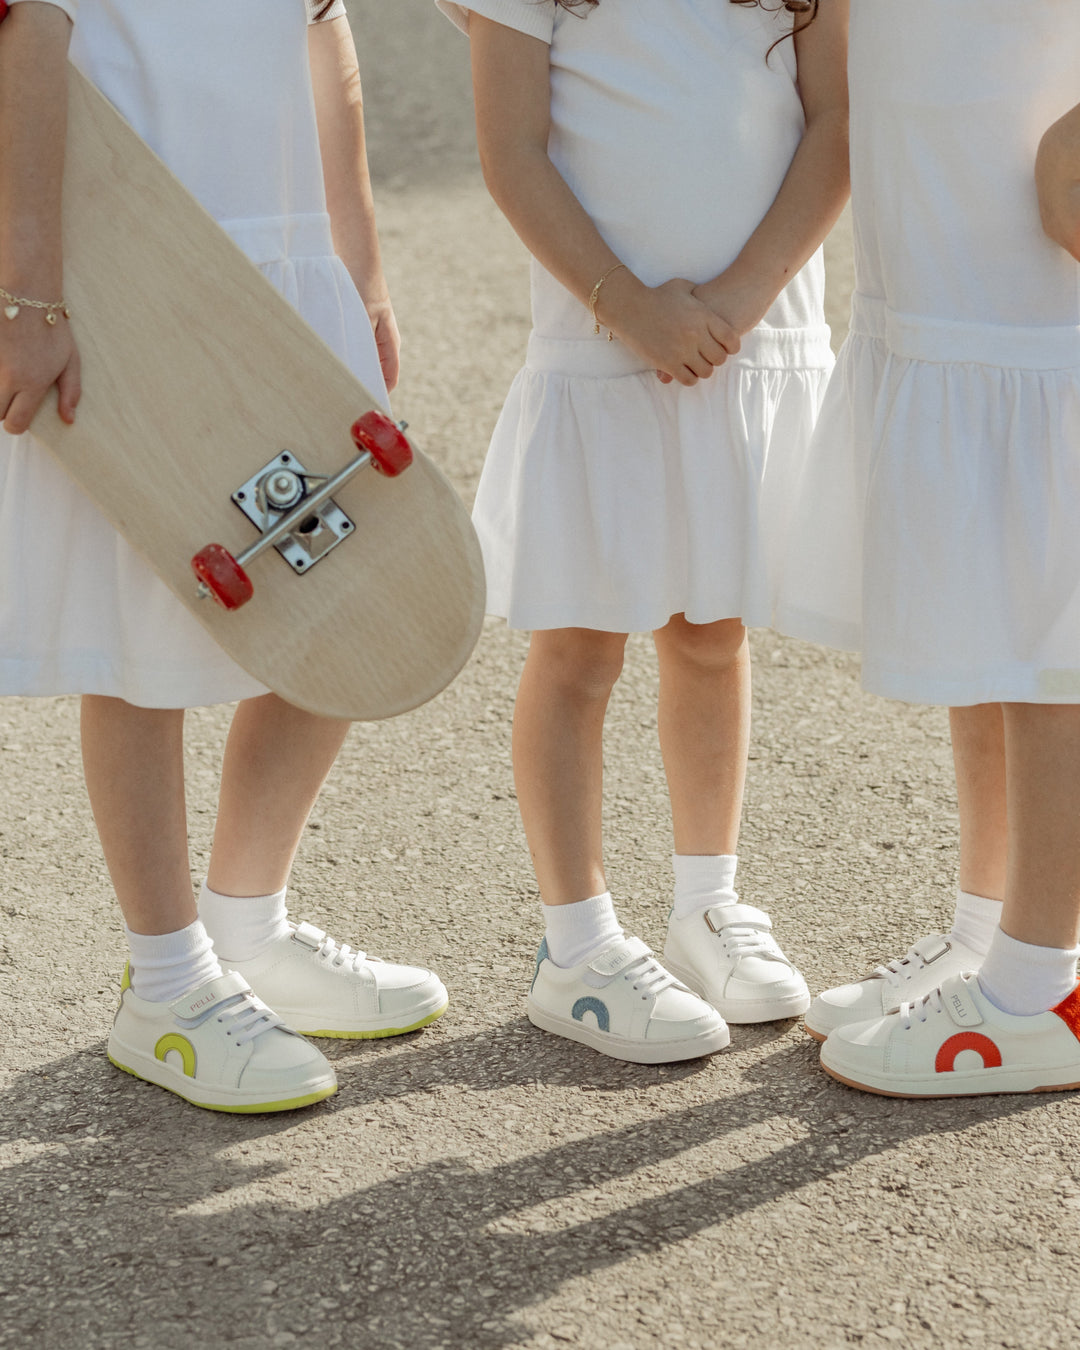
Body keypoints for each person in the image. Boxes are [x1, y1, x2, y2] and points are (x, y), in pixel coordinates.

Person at [0, 0, 448, 1113]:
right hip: (138, 289)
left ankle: (249, 928)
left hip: (286, 284)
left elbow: (321, 29)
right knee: (144, 653)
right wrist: (28, 292)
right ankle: (166, 985)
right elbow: (25, 43)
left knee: (347, 601)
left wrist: (363, 269)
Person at [436, 0, 849, 1062]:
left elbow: (837, 124)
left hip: (742, 337)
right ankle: (575, 945)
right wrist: (633, 308)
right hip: (601, 345)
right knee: (578, 648)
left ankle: (707, 904)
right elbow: (512, 150)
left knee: (713, 632)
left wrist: (738, 300)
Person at [779, 0, 1080, 1094]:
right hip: (943, 260)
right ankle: (988, 929)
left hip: (1037, 294)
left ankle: (1039, 989)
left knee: (1052, 650)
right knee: (983, 625)